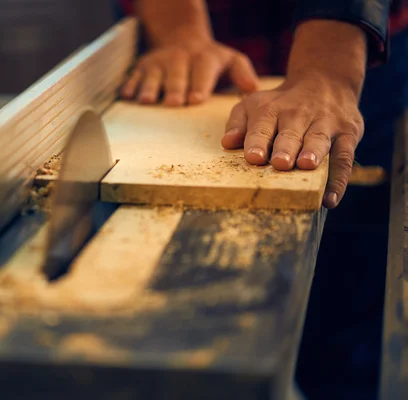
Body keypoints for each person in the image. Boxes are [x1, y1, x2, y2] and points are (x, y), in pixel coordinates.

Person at [113, 1, 408, 398]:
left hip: (358, 38)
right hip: (210, 31)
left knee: (346, 319)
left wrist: (328, 71)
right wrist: (182, 34)